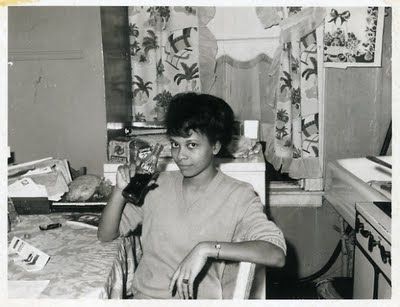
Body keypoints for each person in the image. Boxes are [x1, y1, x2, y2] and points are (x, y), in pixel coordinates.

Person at [97, 92, 286, 299]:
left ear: (215, 146)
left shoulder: (239, 195)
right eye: (175, 144)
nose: (181, 155)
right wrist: (119, 191)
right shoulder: (157, 184)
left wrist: (206, 249)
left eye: (192, 145)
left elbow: (276, 254)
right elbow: (106, 234)